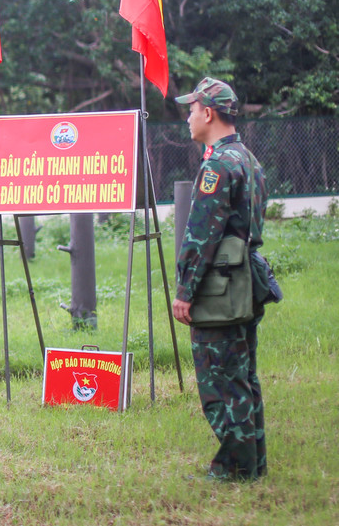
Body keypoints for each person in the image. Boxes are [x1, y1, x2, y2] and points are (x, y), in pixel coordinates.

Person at [171, 77, 268, 481]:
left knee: (220, 379)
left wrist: (184, 293)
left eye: (191, 110)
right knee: (243, 375)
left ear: (208, 112)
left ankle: (234, 467)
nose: (189, 118)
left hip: (219, 289)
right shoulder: (247, 158)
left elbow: (200, 236)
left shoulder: (217, 166)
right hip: (244, 282)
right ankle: (252, 462)